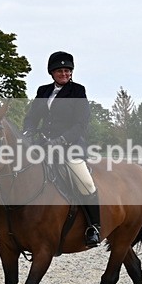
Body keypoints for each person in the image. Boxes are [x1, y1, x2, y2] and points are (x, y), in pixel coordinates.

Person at [22, 51, 101, 248]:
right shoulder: (43, 91)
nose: (64, 74)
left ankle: (94, 227)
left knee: (86, 183)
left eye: (67, 70)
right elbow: (32, 117)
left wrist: (60, 140)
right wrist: (28, 132)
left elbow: (81, 124)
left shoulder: (78, 91)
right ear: (52, 73)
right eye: (60, 71)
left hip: (70, 146)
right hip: (43, 144)